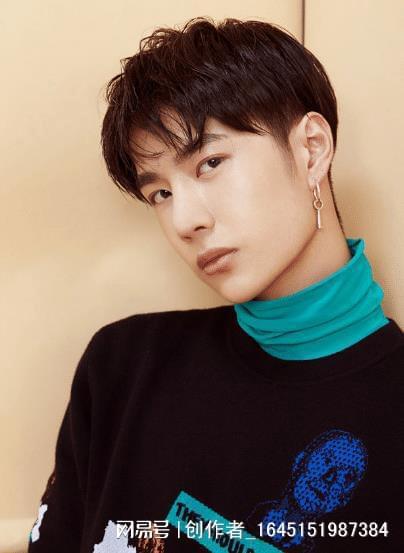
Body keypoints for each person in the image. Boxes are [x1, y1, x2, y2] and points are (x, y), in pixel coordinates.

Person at [28, 16, 403, 553]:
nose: (185, 221)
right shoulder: (123, 367)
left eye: (209, 163)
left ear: (312, 148)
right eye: (160, 193)